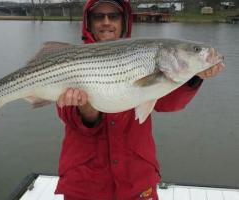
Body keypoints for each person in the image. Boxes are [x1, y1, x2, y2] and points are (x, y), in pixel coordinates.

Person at [55, 0, 225, 199]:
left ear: (125, 20)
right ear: (89, 22)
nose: (106, 22)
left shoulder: (146, 55)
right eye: (98, 16)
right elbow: (66, 113)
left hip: (137, 183)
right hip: (85, 187)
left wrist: (195, 75)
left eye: (114, 16)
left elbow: (167, 103)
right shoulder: (71, 59)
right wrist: (86, 111)